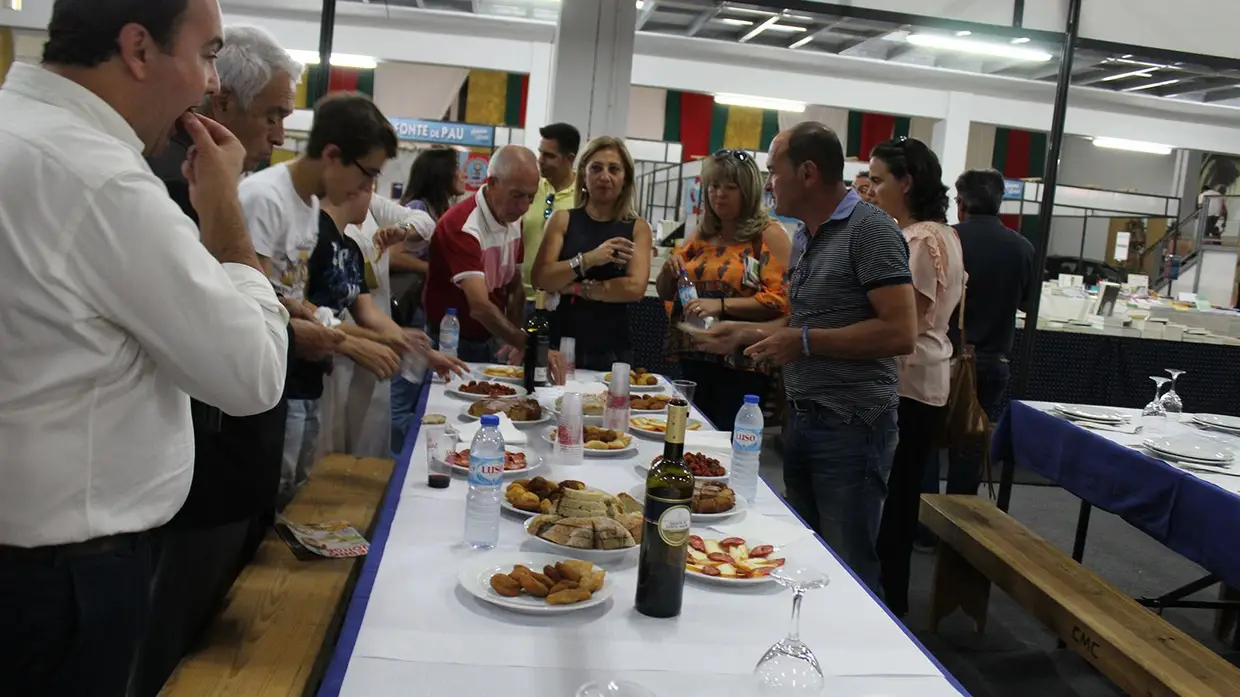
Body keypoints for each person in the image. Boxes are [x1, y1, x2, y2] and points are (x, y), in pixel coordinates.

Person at [0, 1, 291, 693]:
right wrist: (225, 217)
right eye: (208, 53)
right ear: (137, 49)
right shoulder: (98, 178)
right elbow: (251, 372)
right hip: (62, 579)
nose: (211, 84)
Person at [134, 25, 345, 697]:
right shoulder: (174, 193)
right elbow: (222, 340)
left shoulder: (222, 189)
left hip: (237, 458)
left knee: (226, 629)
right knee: (176, 650)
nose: (282, 133)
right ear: (220, 105)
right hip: (201, 469)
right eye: (274, 114)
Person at [696, 123, 916, 593]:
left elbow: (900, 331)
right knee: (807, 558)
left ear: (809, 172)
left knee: (850, 565)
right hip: (805, 418)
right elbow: (800, 326)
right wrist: (749, 333)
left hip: (853, 424)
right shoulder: (806, 235)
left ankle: (859, 660)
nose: (770, 183)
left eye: (775, 171)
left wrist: (805, 343)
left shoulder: (871, 231)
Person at [238, 91, 406, 507]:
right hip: (263, 384)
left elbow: (295, 296)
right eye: (367, 174)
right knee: (269, 495)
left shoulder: (308, 205)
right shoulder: (265, 198)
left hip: (300, 375)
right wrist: (347, 341)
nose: (367, 188)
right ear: (333, 155)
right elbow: (251, 297)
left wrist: (345, 336)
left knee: (295, 488)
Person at [866, 137, 965, 618]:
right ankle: (888, 593)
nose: (872, 188)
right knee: (896, 493)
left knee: (896, 497)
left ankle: (890, 599)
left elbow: (908, 320)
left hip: (910, 381)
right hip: (916, 376)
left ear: (907, 182)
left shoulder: (923, 239)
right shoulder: (933, 234)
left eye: (880, 180)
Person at [656, 149, 790, 428]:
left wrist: (721, 306)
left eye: (731, 187)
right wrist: (668, 273)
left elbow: (781, 300)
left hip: (742, 363)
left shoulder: (768, 234)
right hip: (694, 356)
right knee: (688, 435)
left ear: (749, 191)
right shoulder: (701, 233)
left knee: (726, 444)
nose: (720, 194)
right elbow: (667, 293)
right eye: (714, 186)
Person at [945, 169, 1036, 495]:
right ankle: (956, 526)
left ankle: (920, 525)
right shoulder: (1022, 247)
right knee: (971, 445)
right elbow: (1029, 305)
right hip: (992, 363)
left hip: (945, 358)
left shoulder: (947, 239)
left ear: (961, 202)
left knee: (922, 444)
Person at [531, 136, 653, 370]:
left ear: (625, 178)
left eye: (614, 169)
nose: (604, 177)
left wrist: (575, 287)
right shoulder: (562, 220)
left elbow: (634, 289)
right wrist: (588, 259)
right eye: (596, 168)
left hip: (612, 348)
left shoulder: (638, 228)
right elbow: (541, 279)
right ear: (584, 175)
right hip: (559, 342)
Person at [423, 145, 540, 361]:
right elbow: (479, 307)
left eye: (530, 198)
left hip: (491, 336)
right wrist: (526, 343)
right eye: (516, 196)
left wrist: (515, 341)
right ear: (492, 183)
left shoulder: (514, 219)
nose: (524, 206)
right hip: (452, 339)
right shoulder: (462, 225)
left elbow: (514, 287)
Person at [393, 147, 464, 328]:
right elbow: (394, 256)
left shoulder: (442, 211)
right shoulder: (418, 208)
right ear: (441, 174)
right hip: (415, 306)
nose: (463, 174)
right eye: (457, 169)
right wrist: (435, 269)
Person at [522, 122, 581, 295]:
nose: (540, 160)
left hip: (558, 300)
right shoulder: (530, 186)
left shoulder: (582, 198)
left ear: (569, 159)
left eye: (549, 155)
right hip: (520, 296)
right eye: (540, 152)